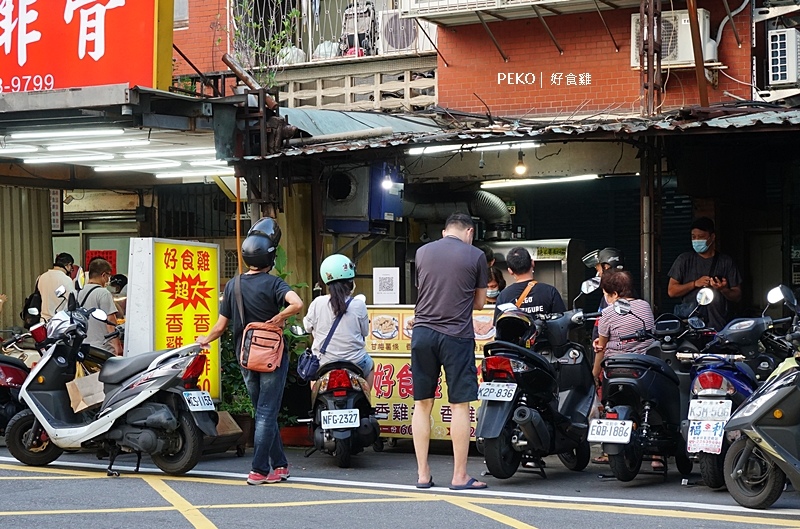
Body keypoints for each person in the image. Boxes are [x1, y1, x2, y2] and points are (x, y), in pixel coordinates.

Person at [197, 218, 304, 486]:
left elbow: (220, 327)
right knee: (267, 412)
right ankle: (258, 470)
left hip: (245, 358)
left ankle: (279, 465)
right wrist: (280, 317)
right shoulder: (274, 284)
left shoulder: (233, 285)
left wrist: (203, 339)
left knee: (262, 410)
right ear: (270, 256)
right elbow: (298, 303)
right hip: (271, 359)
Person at [411, 212, 488, 490]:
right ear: (469, 231)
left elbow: (423, 290)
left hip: (422, 334)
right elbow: (479, 303)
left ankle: (422, 474)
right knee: (459, 404)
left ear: (445, 232)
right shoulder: (475, 255)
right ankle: (459, 476)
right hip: (456, 335)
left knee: (422, 403)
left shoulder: (421, 252)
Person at [303, 254, 374, 387]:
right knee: (370, 366)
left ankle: (315, 402)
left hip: (324, 361)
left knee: (314, 373)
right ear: (350, 282)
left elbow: (307, 327)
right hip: (355, 362)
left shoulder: (318, 302)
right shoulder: (359, 304)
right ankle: (366, 400)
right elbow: (365, 332)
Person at [667, 217, 742, 331]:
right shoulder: (684, 260)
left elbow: (737, 296)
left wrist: (723, 289)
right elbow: (672, 291)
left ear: (712, 237)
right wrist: (694, 284)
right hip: (691, 328)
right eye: (693, 237)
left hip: (719, 327)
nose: (696, 240)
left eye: (701, 237)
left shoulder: (725, 262)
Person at [493, 246, 566, 322]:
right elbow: (562, 322)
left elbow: (498, 327)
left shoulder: (503, 296)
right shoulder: (550, 292)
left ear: (510, 271)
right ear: (532, 263)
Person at [77, 258, 122, 356]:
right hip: (102, 349)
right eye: (109, 276)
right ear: (104, 275)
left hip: (82, 347)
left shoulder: (78, 292)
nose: (108, 279)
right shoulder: (103, 293)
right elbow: (110, 322)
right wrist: (118, 347)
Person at [582, 247, 625, 340]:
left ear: (606, 267)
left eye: (598, 269)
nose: (598, 273)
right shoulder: (607, 295)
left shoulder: (616, 296)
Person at [38, 253, 76, 321]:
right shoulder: (66, 279)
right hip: (59, 321)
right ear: (68, 265)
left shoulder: (41, 277)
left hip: (43, 320)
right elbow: (73, 299)